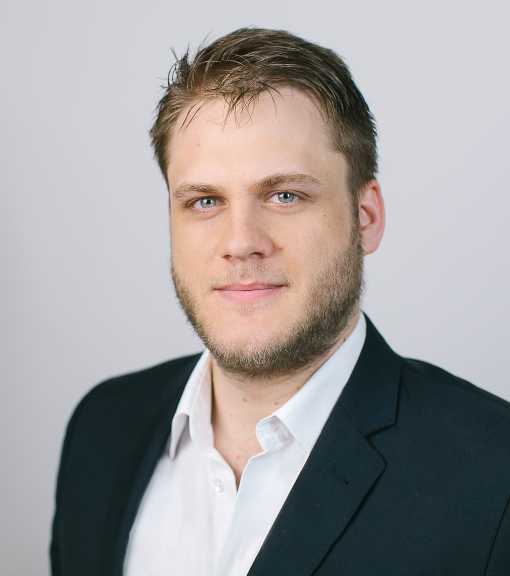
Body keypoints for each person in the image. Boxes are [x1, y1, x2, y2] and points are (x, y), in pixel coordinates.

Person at [50, 28, 510, 576]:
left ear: (366, 217)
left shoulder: (494, 475)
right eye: (204, 201)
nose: (241, 241)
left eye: (285, 195)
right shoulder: (102, 427)